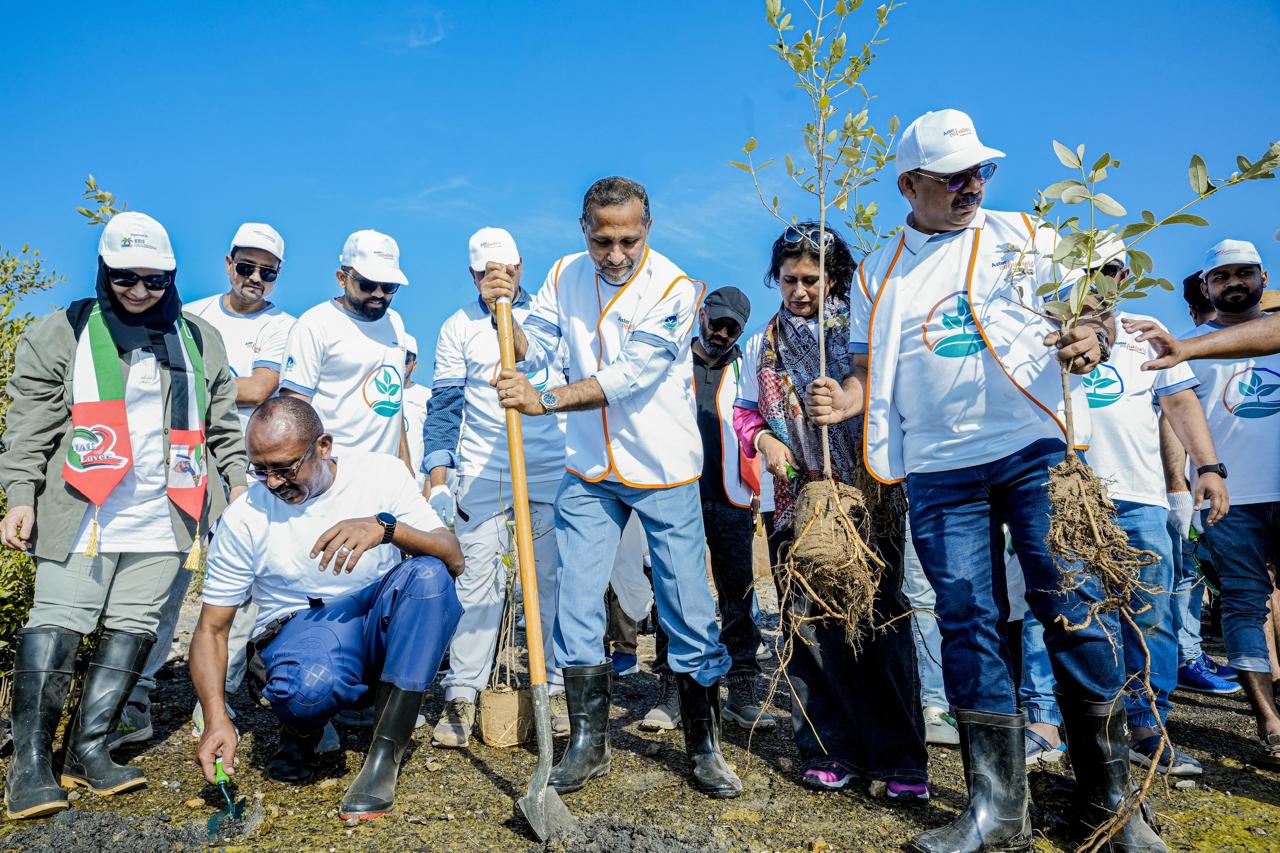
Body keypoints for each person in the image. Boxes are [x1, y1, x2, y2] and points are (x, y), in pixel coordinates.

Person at [807, 110, 1163, 850]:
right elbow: (871, 370)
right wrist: (846, 398)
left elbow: (1097, 297)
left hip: (1036, 451)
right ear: (909, 185)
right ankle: (998, 813)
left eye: (979, 171)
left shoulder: (1026, 235)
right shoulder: (876, 271)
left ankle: (1111, 805)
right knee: (967, 620)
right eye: (952, 177)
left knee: (1071, 605)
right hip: (940, 469)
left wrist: (1093, 331)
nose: (971, 185)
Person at [485, 176, 740, 799]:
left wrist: (545, 401)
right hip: (589, 469)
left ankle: (704, 747)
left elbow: (631, 375)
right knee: (575, 600)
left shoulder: (676, 288)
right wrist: (505, 312)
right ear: (585, 231)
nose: (616, 254)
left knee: (688, 607)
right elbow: (535, 349)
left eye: (629, 240)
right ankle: (588, 744)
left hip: (662, 469)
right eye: (603, 241)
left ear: (647, 228)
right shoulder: (563, 274)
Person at [0, 212, 247, 820]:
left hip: (169, 510)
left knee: (134, 625)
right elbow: (29, 423)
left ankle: (88, 750)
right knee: (58, 621)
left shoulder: (199, 339)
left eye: (155, 280)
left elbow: (222, 424)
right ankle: (29, 766)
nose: (140, 291)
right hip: (83, 508)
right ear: (104, 271)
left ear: (171, 278)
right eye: (125, 278)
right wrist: (19, 495)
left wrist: (239, 487)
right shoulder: (64, 330)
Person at [190, 396, 463, 820]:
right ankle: (304, 729)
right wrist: (216, 718)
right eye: (260, 469)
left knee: (428, 576)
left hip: (377, 618)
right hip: (303, 628)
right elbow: (212, 629)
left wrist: (387, 529)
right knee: (307, 690)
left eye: (285, 468)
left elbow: (453, 557)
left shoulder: (381, 474)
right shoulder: (245, 516)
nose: (273, 482)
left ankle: (383, 758)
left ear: (323, 446)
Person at [1017, 242, 1228, 777]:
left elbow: (1179, 402)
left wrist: (1207, 466)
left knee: (1149, 615)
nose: (1098, 281)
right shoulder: (1036, 330)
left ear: (1126, 275)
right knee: (1055, 608)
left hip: (1139, 497)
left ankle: (1145, 725)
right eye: (1086, 270)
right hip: (1061, 493)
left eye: (1109, 271)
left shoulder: (1145, 331)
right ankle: (1044, 723)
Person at [733, 223, 927, 799]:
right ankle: (828, 749)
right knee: (810, 626)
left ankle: (899, 759)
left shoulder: (862, 333)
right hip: (796, 503)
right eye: (788, 279)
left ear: (836, 278)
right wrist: (765, 441)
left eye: (812, 280)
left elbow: (893, 397)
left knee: (881, 621)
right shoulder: (762, 345)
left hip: (869, 500)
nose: (799, 291)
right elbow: (744, 410)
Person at [117, 222, 294, 749]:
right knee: (166, 580)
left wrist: (196, 380)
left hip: (248, 474)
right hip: (185, 464)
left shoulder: (282, 326)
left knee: (244, 590)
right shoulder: (190, 315)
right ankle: (135, 694)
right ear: (228, 264)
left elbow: (259, 388)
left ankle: (217, 697)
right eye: (247, 266)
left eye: (267, 271)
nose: (255, 278)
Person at [421, 227, 566, 748]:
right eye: (486, 272)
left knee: (548, 583)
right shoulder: (456, 327)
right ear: (472, 273)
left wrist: (509, 316)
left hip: (548, 469)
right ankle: (462, 693)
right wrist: (439, 479)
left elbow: (554, 370)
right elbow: (444, 408)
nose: (497, 278)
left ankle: (555, 691)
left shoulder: (550, 314)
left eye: (506, 269)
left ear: (521, 266)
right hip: (485, 473)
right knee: (477, 583)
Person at [1158, 239, 1280, 768]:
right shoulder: (1182, 349)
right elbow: (1172, 421)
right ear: (1205, 287)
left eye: (1244, 273)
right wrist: (1181, 488)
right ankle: (1268, 719)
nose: (1234, 283)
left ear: (1263, 278)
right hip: (1230, 500)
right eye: (1221, 276)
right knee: (1243, 603)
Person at [640, 286, 774, 732]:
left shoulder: (746, 368)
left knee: (738, 595)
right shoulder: (673, 360)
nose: (722, 333)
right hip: (676, 492)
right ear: (702, 316)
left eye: (732, 328)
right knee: (673, 591)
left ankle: (742, 688)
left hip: (731, 497)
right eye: (717, 323)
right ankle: (672, 690)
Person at [279, 229, 412, 467]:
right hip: (332, 471)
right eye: (367, 284)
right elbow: (294, 409)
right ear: (342, 278)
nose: (378, 293)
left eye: (389, 286)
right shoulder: (314, 325)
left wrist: (405, 465)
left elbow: (393, 403)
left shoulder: (396, 323)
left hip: (387, 473)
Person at [400, 334, 431, 489]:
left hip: (416, 484)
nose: (401, 363)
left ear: (415, 364)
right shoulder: (374, 393)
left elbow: (433, 444)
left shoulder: (427, 396)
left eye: (406, 359)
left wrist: (428, 485)